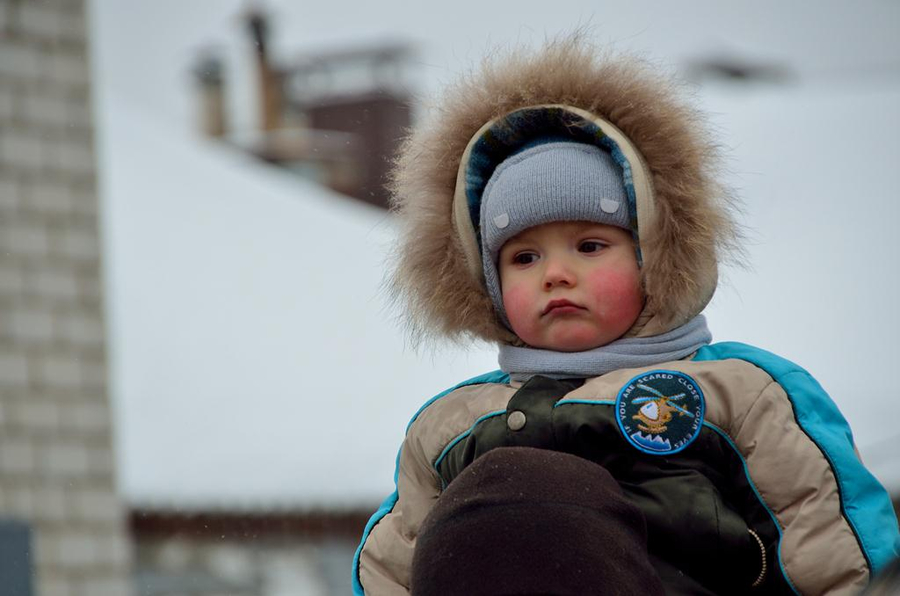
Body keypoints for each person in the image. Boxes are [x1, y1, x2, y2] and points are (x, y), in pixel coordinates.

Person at [351, 38, 900, 595]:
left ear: (652, 256)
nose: (555, 274)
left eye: (589, 246)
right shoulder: (449, 428)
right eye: (523, 257)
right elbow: (391, 572)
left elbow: (832, 554)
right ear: (488, 285)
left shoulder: (739, 393)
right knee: (503, 488)